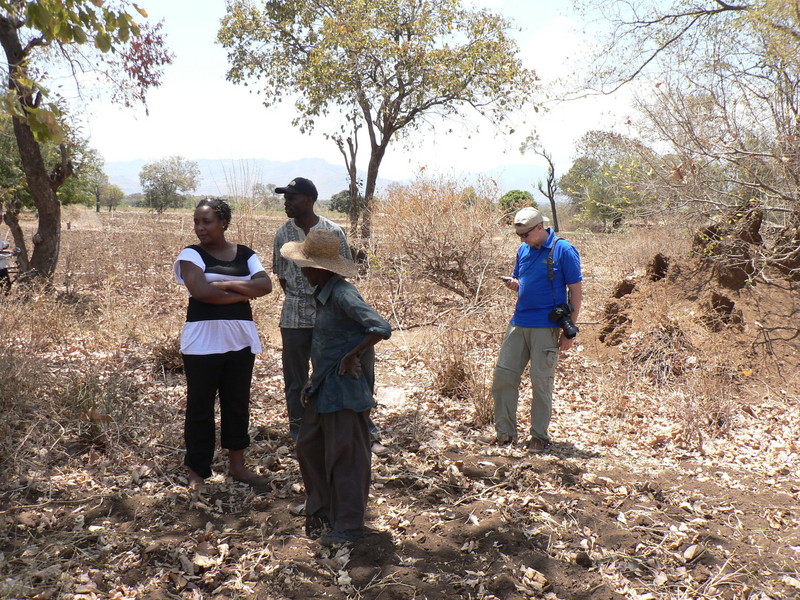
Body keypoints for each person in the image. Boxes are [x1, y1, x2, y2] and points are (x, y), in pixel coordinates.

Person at [280, 229, 391, 546]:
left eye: (305, 265)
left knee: (346, 458)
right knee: (309, 447)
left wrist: (351, 356)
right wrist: (315, 377)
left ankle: (348, 526)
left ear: (321, 268)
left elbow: (380, 327)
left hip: (345, 391)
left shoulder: (343, 293)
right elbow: (331, 341)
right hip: (324, 387)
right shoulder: (325, 293)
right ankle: (324, 511)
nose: (301, 270)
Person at [272, 177, 387, 454]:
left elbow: (340, 271)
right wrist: (302, 297)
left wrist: (330, 306)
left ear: (309, 200)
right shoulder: (282, 234)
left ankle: (363, 428)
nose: (287, 202)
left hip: (332, 315)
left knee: (346, 371)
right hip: (295, 316)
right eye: (285, 197)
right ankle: (302, 431)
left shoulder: (332, 231)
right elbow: (282, 276)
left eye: (293, 197)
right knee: (296, 378)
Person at [174, 198, 273, 491]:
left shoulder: (246, 254)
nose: (200, 228)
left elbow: (265, 286)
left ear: (224, 223)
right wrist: (245, 292)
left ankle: (237, 466)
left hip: (240, 339)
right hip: (202, 342)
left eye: (206, 222)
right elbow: (201, 292)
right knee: (200, 408)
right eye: (197, 222)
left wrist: (225, 285)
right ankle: (196, 470)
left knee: (236, 404)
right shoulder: (191, 255)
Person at [491, 207, 583, 452]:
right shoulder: (523, 249)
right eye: (518, 235)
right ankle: (505, 433)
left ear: (540, 228)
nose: (522, 240)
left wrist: (569, 331)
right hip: (519, 323)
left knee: (540, 382)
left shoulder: (563, 249)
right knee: (504, 376)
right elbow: (522, 283)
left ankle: (539, 437)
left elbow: (576, 291)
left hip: (546, 327)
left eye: (525, 235)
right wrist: (514, 285)